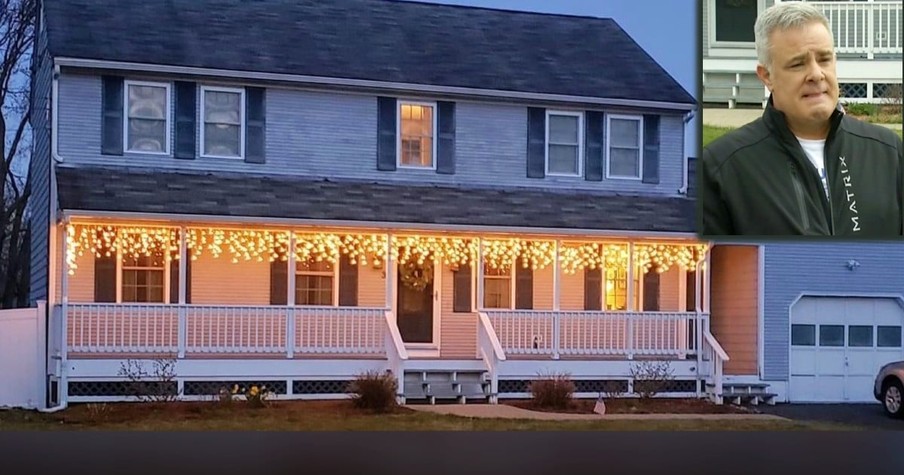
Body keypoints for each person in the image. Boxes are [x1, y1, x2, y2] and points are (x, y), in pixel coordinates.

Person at [699, 2, 903, 237]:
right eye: (798, 64)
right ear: (767, 76)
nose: (816, 74)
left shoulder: (888, 154)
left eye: (825, 59)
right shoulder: (722, 168)